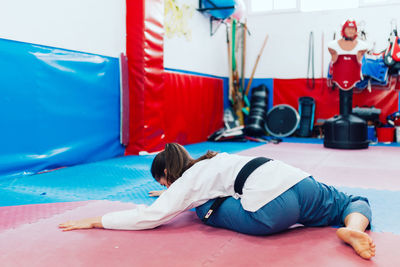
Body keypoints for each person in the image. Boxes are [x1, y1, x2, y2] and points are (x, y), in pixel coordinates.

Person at [59, 143, 375, 260]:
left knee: (199, 208)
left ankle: (198, 204)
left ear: (168, 173)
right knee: (354, 199)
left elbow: (152, 216)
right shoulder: (218, 159)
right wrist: (171, 191)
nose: (169, 189)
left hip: (271, 211)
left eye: (164, 184)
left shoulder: (189, 181)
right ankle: (353, 228)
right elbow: (192, 187)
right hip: (296, 182)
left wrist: (98, 220)